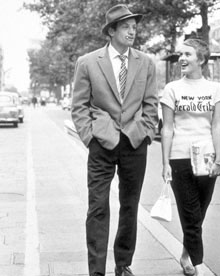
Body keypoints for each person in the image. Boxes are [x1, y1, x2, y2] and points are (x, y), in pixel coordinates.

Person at [71, 4, 157, 276]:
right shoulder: (87, 63)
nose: (132, 32)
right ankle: (96, 271)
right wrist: (89, 137)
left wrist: (145, 132)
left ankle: (123, 264)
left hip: (134, 143)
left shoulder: (146, 63)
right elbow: (79, 106)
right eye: (126, 27)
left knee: (130, 207)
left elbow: (151, 105)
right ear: (111, 31)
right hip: (102, 143)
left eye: (134, 27)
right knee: (97, 207)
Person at [160, 38, 220, 276]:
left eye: (187, 54)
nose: (182, 59)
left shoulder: (215, 89)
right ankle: (198, 264)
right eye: (180, 55)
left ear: (202, 60)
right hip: (179, 157)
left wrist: (219, 160)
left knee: (200, 210)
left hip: (207, 158)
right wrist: (165, 162)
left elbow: (216, 126)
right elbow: (167, 128)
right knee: (190, 212)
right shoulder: (172, 89)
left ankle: (187, 254)